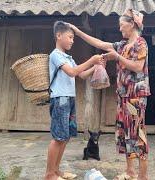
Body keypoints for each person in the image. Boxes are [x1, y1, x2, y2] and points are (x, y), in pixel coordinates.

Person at [68, 9, 151, 180]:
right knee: (125, 134)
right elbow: (99, 43)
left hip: (136, 97)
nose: (120, 29)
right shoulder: (122, 45)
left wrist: (117, 58)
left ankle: (143, 177)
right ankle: (130, 172)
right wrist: (77, 31)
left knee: (137, 135)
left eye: (122, 25)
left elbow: (137, 67)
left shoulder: (141, 43)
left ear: (132, 24)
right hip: (123, 95)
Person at [45, 21, 104, 180]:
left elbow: (82, 75)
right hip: (60, 99)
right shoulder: (55, 55)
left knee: (66, 136)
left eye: (73, 38)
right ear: (59, 35)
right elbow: (71, 72)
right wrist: (92, 60)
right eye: (70, 37)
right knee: (58, 137)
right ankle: (49, 174)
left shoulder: (68, 57)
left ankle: (57, 171)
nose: (72, 40)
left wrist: (96, 66)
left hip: (69, 99)